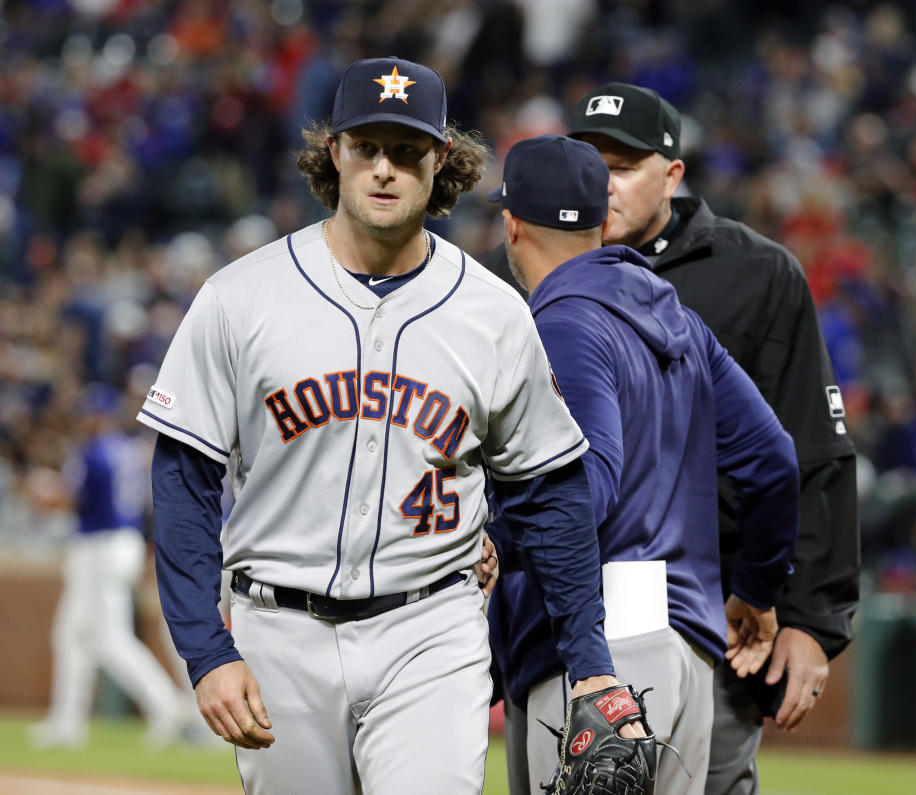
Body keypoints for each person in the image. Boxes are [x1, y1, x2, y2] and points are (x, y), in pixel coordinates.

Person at [138, 57, 640, 795]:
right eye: (366, 147)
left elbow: (553, 491)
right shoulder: (239, 299)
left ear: (440, 162)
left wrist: (591, 660)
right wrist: (207, 651)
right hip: (279, 627)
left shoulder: (492, 313)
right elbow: (183, 480)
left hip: (430, 628)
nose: (384, 170)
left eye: (406, 151)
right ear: (333, 152)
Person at [485, 134, 801, 795]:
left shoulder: (561, 323)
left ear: (511, 225)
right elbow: (773, 459)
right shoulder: (678, 318)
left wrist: (491, 535)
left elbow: (583, 490)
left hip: (597, 649)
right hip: (685, 641)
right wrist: (758, 590)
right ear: (603, 219)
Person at [567, 84, 860, 794]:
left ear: (672, 174)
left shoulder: (755, 274)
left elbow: (814, 450)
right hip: (568, 606)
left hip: (712, 612)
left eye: (623, 165)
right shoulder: (535, 263)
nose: (600, 184)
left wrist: (813, 621)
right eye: (586, 163)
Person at [29, 384, 192, 749]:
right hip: (121, 543)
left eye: (91, 413)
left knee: (108, 638)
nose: (86, 418)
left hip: (99, 547)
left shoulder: (94, 451)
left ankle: (166, 703)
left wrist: (42, 493)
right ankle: (67, 722)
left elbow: (74, 500)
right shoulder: (129, 450)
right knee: (72, 635)